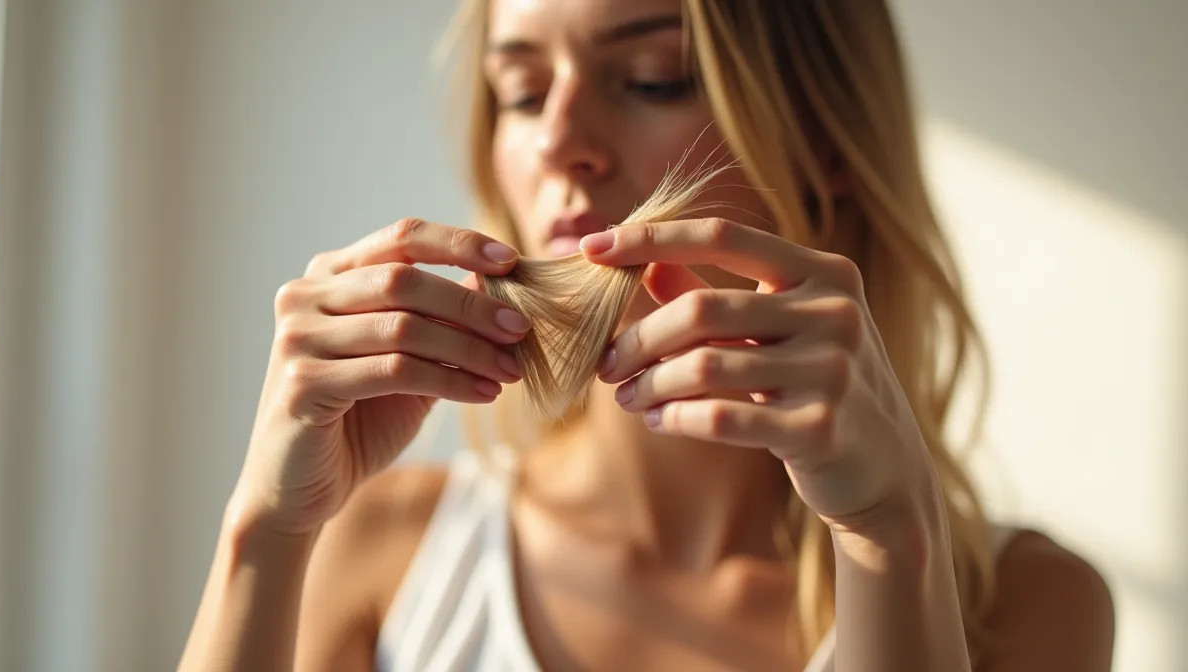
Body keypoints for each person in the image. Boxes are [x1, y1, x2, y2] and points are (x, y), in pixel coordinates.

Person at [179, 1, 1115, 670]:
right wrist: (264, 528)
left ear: (823, 141)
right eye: (522, 89)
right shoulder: (385, 549)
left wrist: (887, 541)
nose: (558, 139)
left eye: (651, 77)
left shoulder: (1026, 608)